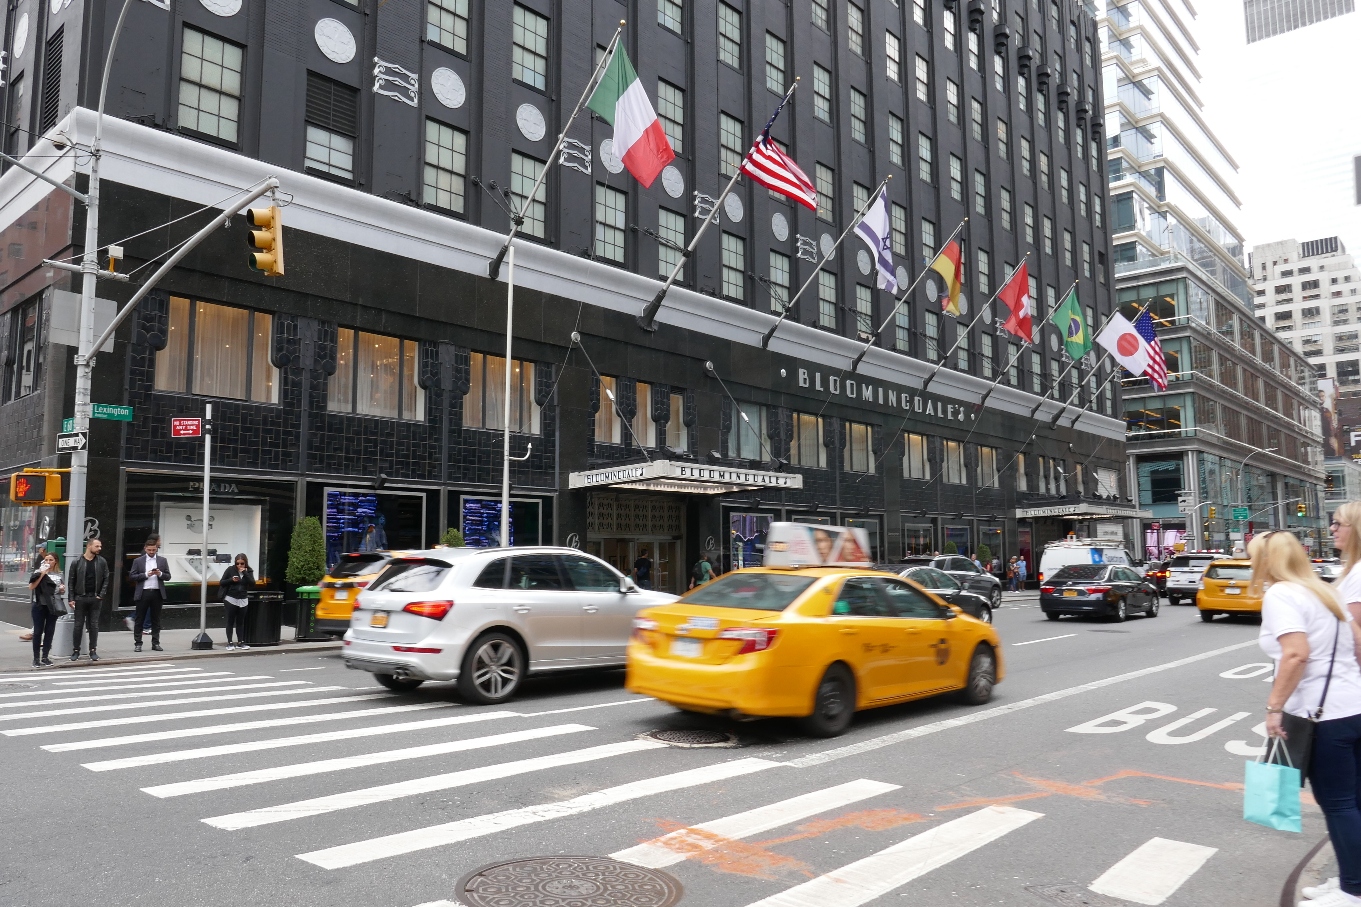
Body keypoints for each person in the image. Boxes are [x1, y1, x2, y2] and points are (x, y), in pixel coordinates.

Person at [1255, 530, 1361, 907]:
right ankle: (1350, 878)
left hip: (1323, 715)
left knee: (1339, 804)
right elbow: (1358, 642)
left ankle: (1353, 891)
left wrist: (1274, 708)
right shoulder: (1325, 591)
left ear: (1267, 560)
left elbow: (1296, 654)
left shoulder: (1281, 593)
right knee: (1353, 801)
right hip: (1353, 707)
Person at [66, 538, 109, 662]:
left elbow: (106, 578)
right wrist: (71, 598)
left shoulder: (101, 561)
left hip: (95, 598)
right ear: (89, 546)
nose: (99, 548)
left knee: (94, 625)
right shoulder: (77, 562)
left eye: (100, 546)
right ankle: (76, 650)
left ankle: (93, 650)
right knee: (78, 625)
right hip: (80, 597)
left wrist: (101, 595)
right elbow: (71, 581)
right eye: (97, 546)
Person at [128, 535, 171, 652]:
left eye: (154, 550)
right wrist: (146, 574)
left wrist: (160, 574)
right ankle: (138, 643)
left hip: (157, 592)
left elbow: (168, 576)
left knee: (156, 619)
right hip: (143, 592)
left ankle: (155, 643)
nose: (151, 552)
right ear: (145, 548)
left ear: (156, 548)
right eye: (149, 550)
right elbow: (132, 576)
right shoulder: (138, 561)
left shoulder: (162, 560)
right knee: (139, 619)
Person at [28, 553, 64, 667]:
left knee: (49, 631)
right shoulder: (38, 572)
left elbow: (60, 591)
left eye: (51, 560)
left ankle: (45, 657)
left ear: (55, 561)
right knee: (38, 631)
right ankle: (36, 658)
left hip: (52, 605)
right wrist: (42, 573)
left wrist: (62, 589)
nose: (48, 562)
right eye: (46, 560)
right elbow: (31, 587)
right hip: (39, 604)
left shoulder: (59, 574)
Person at [219, 553, 255, 650]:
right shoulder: (230, 570)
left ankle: (241, 642)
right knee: (230, 620)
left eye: (242, 563)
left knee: (240, 621)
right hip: (231, 598)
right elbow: (222, 582)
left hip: (243, 599)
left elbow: (252, 583)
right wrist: (231, 580)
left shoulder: (249, 571)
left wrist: (245, 573)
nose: (239, 565)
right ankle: (230, 642)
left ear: (245, 563)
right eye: (237, 563)